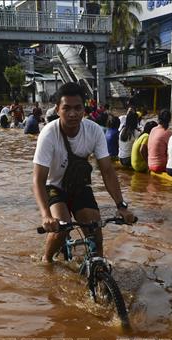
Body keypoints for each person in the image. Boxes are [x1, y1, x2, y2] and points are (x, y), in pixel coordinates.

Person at [32, 82, 135, 262]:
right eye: (67, 108)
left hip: (79, 186)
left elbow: (108, 171)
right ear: (58, 110)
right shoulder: (48, 134)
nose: (73, 114)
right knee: (61, 229)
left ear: (84, 109)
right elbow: (38, 180)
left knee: (95, 230)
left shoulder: (94, 130)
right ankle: (46, 260)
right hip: (54, 187)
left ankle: (100, 268)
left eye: (78, 108)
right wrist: (46, 216)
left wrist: (121, 206)